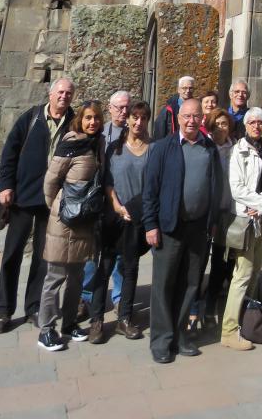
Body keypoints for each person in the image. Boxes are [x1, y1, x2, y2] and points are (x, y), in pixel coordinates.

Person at [0, 77, 75, 333]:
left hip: (53, 201)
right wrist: (7, 185)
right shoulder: (31, 118)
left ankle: (34, 308)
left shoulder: (74, 121)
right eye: (60, 91)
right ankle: (4, 311)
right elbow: (10, 152)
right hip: (24, 198)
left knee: (42, 257)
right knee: (12, 255)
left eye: (69, 93)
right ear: (51, 94)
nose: (64, 96)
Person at [142, 98, 222, 363]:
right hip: (169, 228)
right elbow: (150, 190)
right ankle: (162, 341)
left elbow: (215, 185)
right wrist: (150, 225)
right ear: (178, 117)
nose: (191, 121)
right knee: (164, 285)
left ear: (202, 119)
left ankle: (180, 334)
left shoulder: (209, 148)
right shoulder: (163, 148)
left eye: (196, 116)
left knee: (190, 284)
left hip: (198, 229)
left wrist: (212, 219)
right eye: (187, 116)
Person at [37, 99, 105, 351]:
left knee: (76, 277)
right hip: (63, 220)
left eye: (96, 118)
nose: (92, 122)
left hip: (84, 221)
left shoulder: (98, 143)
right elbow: (51, 180)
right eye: (88, 118)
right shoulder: (71, 142)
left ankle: (68, 324)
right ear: (80, 120)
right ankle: (46, 330)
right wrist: (56, 207)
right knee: (55, 277)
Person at [89, 100, 152, 343]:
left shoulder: (153, 149)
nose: (138, 122)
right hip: (113, 216)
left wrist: (134, 210)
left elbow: (152, 185)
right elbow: (107, 181)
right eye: (134, 117)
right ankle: (96, 320)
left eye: (143, 118)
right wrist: (115, 204)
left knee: (130, 268)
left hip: (136, 218)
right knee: (103, 268)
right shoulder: (114, 147)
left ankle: (124, 318)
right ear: (127, 120)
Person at [221, 107, 262, 351]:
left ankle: (247, 322)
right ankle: (228, 329)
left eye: (260, 122)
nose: (257, 126)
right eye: (253, 122)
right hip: (246, 219)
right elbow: (236, 187)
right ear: (246, 125)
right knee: (242, 274)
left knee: (255, 273)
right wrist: (261, 203)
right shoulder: (239, 150)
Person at [80, 88, 131, 318]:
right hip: (100, 202)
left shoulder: (135, 134)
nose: (123, 111)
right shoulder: (101, 135)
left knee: (120, 255)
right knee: (92, 254)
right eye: (119, 107)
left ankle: (119, 298)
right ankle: (85, 296)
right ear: (110, 109)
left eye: (127, 107)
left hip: (124, 203)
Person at [202, 109, 236, 324]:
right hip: (208, 212)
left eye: (224, 124)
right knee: (205, 256)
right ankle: (203, 302)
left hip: (229, 209)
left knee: (224, 257)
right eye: (217, 124)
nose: (220, 128)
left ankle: (216, 300)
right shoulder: (205, 147)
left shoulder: (235, 148)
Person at [153, 76, 196, 140]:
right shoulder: (168, 110)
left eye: (191, 88)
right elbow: (159, 133)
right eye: (184, 88)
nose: (188, 91)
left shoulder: (197, 108)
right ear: (178, 90)